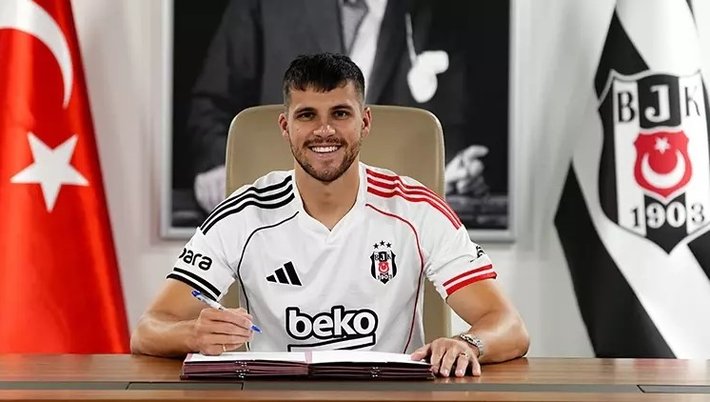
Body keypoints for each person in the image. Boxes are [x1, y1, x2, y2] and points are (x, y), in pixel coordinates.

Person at [135, 53, 528, 376]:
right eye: (307, 115)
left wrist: (467, 343)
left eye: (340, 113)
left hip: (391, 396)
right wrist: (191, 333)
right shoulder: (242, 214)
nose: (324, 130)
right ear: (285, 126)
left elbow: (508, 325)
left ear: (365, 121)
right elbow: (149, 329)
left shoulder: (417, 208)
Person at [185, 0, 503, 219]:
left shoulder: (432, 14)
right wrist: (218, 166)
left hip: (387, 226)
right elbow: (210, 105)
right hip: (280, 217)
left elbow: (447, 130)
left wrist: (455, 171)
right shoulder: (266, 5)